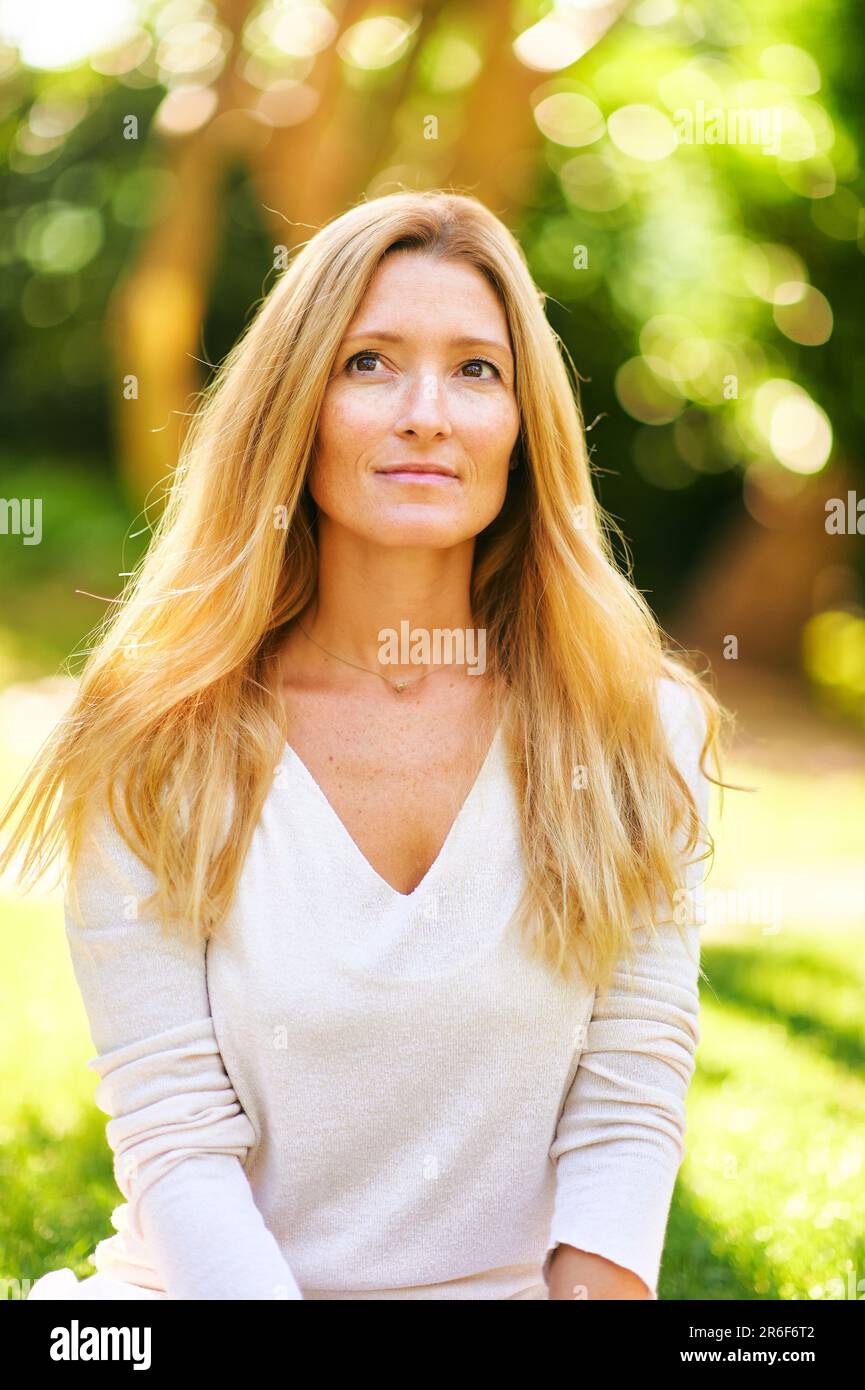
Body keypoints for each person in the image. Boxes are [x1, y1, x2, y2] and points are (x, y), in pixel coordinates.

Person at [5, 189, 728, 1301]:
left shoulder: (634, 727)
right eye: (370, 363)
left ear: (524, 425)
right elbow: (173, 1132)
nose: (427, 412)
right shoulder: (153, 733)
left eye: (477, 370)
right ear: (293, 407)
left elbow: (630, 1091)